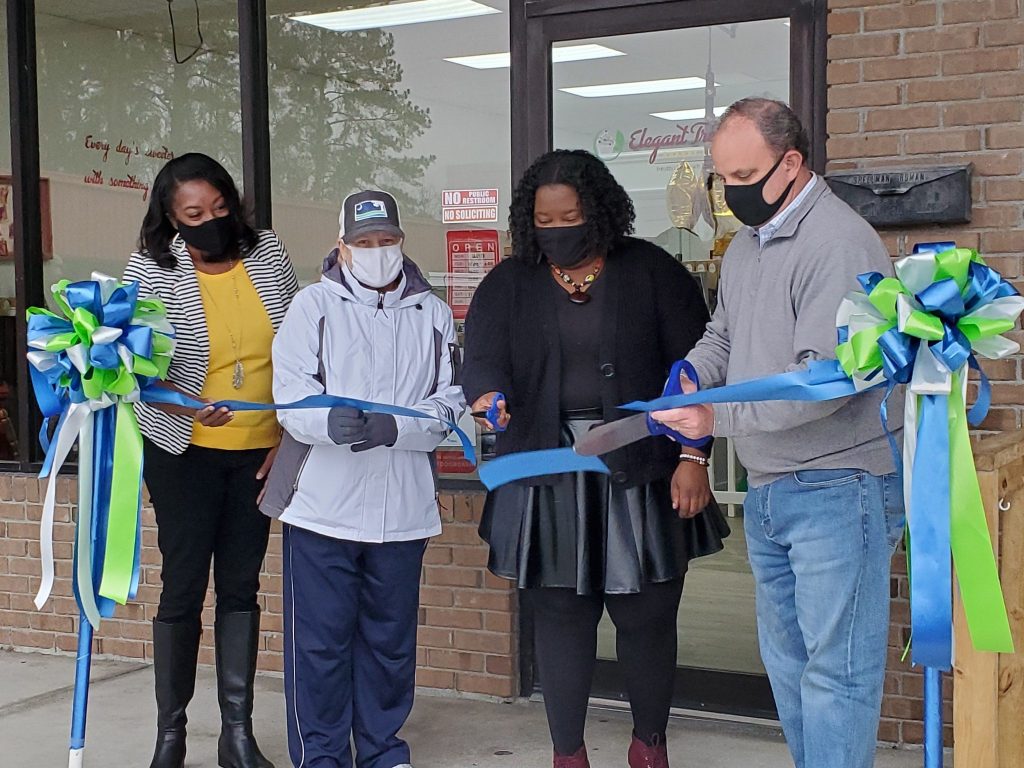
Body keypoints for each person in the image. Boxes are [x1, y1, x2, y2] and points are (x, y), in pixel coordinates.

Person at [651, 99, 906, 768]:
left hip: (839, 483)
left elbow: (824, 379)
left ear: (791, 163)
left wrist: (716, 418)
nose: (731, 192)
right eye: (721, 178)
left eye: (744, 176)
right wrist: (692, 375)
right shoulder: (748, 245)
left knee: (836, 673)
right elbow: (723, 335)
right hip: (770, 483)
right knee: (790, 666)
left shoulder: (838, 243)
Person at [461, 149, 716, 768]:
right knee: (559, 616)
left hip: (643, 464)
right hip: (545, 469)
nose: (557, 231)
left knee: (647, 612)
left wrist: (694, 456)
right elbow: (482, 360)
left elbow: (697, 371)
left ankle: (649, 747)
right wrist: (487, 397)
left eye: (569, 218)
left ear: (598, 211)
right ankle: (568, 755)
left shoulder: (652, 271)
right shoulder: (508, 282)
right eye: (544, 221)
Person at [260, 190, 465, 768]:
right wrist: (326, 421)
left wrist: (397, 428)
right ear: (342, 246)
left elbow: (452, 404)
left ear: (402, 241)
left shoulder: (432, 313)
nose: (378, 251)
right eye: (365, 242)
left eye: (387, 240)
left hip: (402, 511)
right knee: (320, 645)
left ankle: (382, 750)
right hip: (323, 509)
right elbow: (289, 396)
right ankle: (321, 756)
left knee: (389, 644)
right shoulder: (312, 307)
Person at [125, 152, 298, 768]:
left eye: (220, 208)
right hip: (184, 452)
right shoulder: (151, 268)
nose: (210, 222)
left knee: (241, 588)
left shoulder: (267, 252)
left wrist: (288, 435)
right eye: (194, 214)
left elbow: (303, 345)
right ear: (170, 218)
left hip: (259, 452)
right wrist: (185, 403)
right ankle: (170, 736)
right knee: (182, 587)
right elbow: (131, 368)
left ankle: (237, 735)